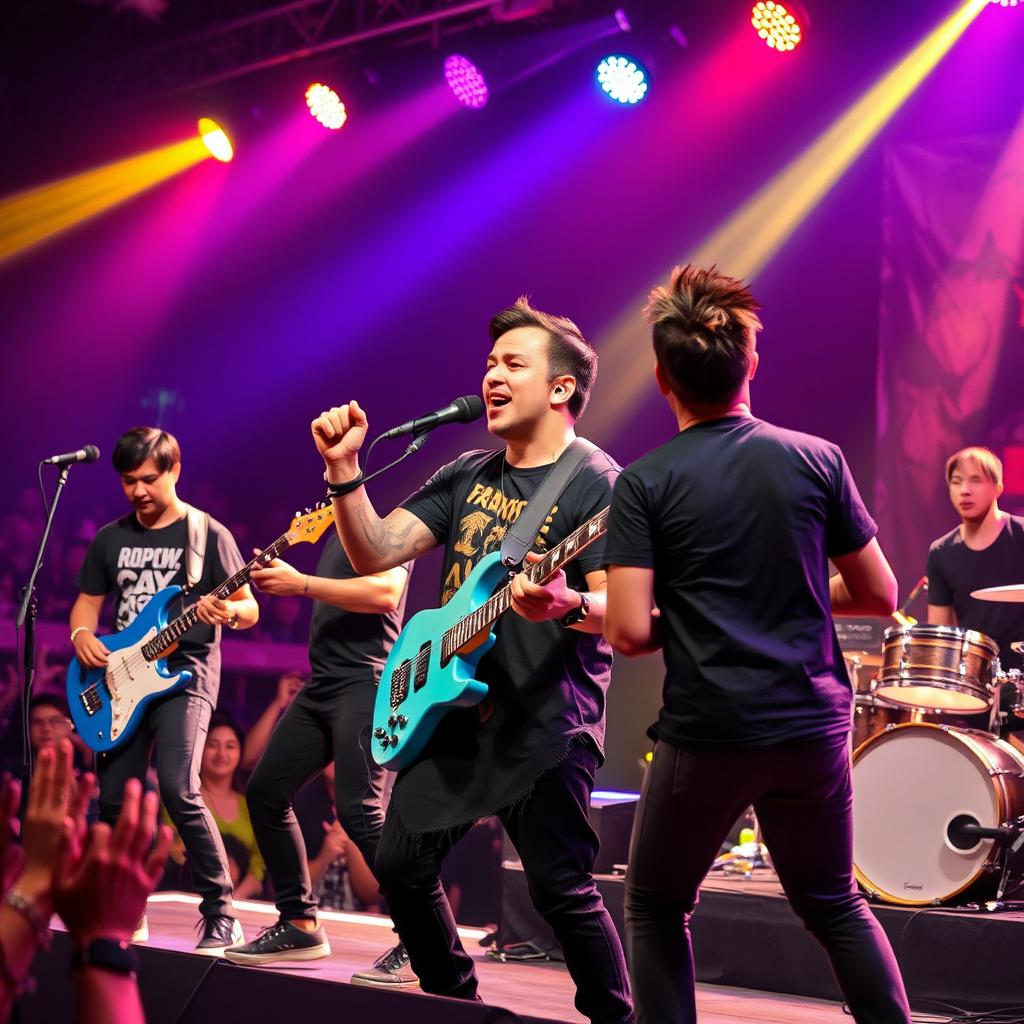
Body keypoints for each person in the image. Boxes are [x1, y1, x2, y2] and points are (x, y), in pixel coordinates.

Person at [603, 265, 911, 1024]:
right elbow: (880, 595)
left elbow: (631, 633)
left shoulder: (643, 484)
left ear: (661, 378)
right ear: (751, 362)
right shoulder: (817, 458)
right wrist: (789, 598)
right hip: (810, 727)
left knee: (653, 905)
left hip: (710, 731)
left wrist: (705, 611)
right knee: (835, 904)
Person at [311, 297, 632, 1022]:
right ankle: (455, 1003)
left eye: (512, 363)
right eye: (489, 362)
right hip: (452, 711)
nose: (491, 374)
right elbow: (378, 551)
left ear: (560, 389)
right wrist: (345, 473)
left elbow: (625, 611)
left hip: (546, 720)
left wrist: (566, 605)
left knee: (560, 890)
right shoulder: (466, 473)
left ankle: (617, 1017)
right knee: (398, 863)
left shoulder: (599, 485)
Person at [68, 426, 259, 954]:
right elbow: (87, 602)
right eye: (128, 481)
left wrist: (230, 613)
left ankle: (221, 912)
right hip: (120, 679)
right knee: (114, 801)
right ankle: (124, 909)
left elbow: (249, 606)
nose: (138, 491)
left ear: (174, 470)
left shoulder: (207, 534)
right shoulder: (111, 537)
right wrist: (82, 634)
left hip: (186, 675)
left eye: (149, 479)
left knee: (179, 787)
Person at [224, 532, 409, 965]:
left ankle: (423, 935)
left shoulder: (387, 512)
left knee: (359, 811)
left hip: (366, 679)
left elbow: (386, 593)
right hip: (321, 681)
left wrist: (302, 583)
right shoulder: (335, 522)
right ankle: (300, 924)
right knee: (266, 791)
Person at [927, 447, 1024, 673]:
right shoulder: (940, 552)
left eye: (976, 480)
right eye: (956, 481)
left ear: (998, 487)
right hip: (974, 679)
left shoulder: (1021, 535)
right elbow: (941, 634)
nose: (965, 490)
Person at [198, 714, 266, 901]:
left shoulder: (250, 806)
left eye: (230, 746)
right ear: (199, 748)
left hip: (241, 902)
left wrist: (233, 900)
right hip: (190, 897)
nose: (221, 754)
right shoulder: (184, 799)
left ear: (240, 752)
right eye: (212, 745)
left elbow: (258, 865)